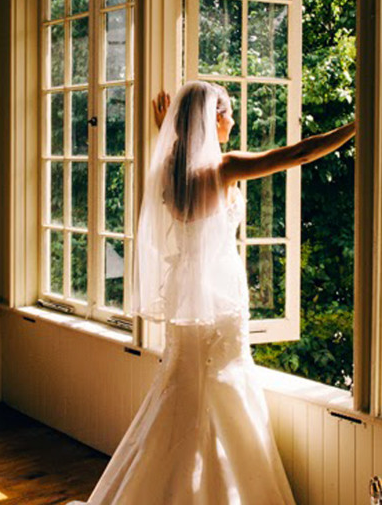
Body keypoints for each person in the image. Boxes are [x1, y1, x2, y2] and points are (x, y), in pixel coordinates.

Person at [69, 81, 355, 504]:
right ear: (213, 119)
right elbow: (298, 154)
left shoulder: (169, 169)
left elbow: (179, 154)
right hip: (219, 296)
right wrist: (354, 128)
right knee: (219, 386)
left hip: (188, 295)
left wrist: (167, 127)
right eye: (228, 112)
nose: (234, 119)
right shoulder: (223, 168)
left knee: (184, 389)